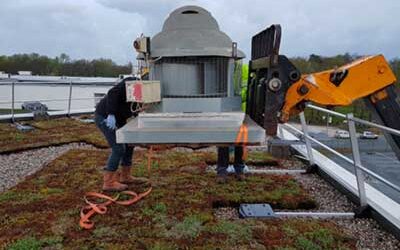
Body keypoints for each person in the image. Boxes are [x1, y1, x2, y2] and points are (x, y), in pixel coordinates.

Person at [95, 76, 146, 191]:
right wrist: (111, 114)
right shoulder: (132, 83)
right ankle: (108, 182)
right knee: (118, 148)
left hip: (119, 118)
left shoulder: (144, 92)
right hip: (105, 117)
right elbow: (112, 93)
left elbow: (130, 108)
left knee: (129, 143)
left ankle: (125, 176)